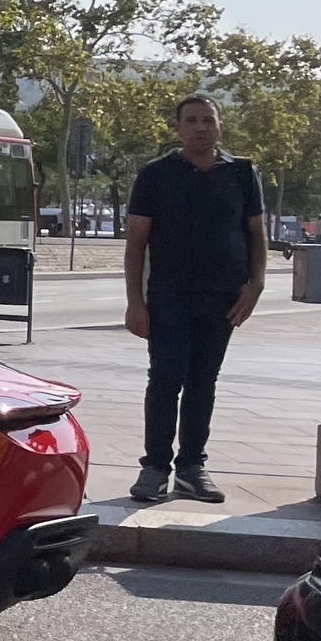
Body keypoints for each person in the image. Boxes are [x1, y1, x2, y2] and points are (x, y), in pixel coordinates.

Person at [124, 93, 266, 504]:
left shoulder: (241, 173)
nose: (200, 127)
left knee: (204, 382)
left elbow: (257, 235)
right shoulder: (154, 175)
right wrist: (135, 302)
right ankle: (154, 468)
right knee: (166, 381)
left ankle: (192, 468)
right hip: (169, 296)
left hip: (223, 299)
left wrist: (256, 285)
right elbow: (136, 245)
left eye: (208, 119)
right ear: (178, 128)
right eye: (191, 120)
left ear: (220, 125)